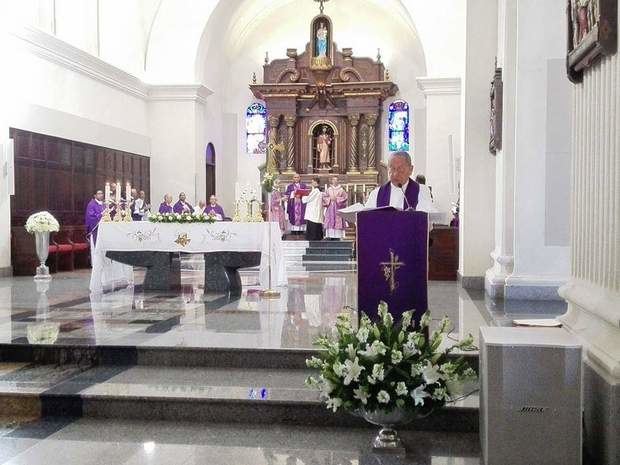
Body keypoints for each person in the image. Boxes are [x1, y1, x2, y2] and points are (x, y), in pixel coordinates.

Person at [365, 151, 432, 212]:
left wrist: (413, 215)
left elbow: (427, 215)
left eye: (401, 169)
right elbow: (366, 217)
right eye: (392, 169)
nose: (395, 173)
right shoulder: (376, 194)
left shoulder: (421, 191)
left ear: (411, 170)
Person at [323, 175, 348, 239]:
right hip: (330, 207)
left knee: (338, 219)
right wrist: (330, 199)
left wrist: (337, 199)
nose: (335, 181)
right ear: (331, 181)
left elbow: (345, 198)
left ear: (338, 181)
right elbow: (324, 197)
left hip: (338, 207)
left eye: (336, 180)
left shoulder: (341, 190)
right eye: (333, 180)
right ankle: (330, 235)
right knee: (330, 219)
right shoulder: (329, 189)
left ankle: (338, 236)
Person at [302, 177, 324, 241]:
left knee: (313, 223)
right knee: (316, 223)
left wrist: (302, 196)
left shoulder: (316, 191)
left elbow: (308, 199)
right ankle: (317, 237)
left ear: (315, 182)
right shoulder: (317, 190)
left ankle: (313, 238)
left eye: (312, 182)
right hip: (315, 209)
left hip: (313, 210)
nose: (311, 183)